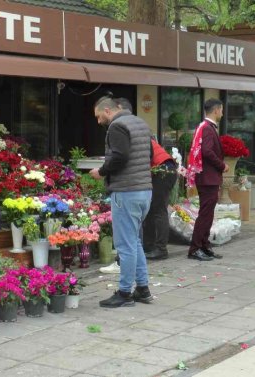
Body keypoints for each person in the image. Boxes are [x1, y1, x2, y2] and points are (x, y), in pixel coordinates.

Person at [90, 96, 153, 308]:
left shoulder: (117, 126)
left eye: (99, 117)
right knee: (134, 241)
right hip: (144, 191)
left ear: (107, 110)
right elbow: (149, 154)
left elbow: (120, 156)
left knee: (125, 246)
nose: (98, 122)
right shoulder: (140, 123)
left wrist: (101, 171)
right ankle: (143, 289)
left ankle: (125, 293)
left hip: (126, 191)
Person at [186, 99, 228, 261]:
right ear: (216, 110)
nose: (222, 114)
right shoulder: (208, 129)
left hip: (207, 177)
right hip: (208, 177)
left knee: (208, 214)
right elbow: (207, 151)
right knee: (205, 214)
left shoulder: (205, 127)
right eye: (221, 110)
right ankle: (195, 247)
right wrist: (222, 165)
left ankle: (204, 245)